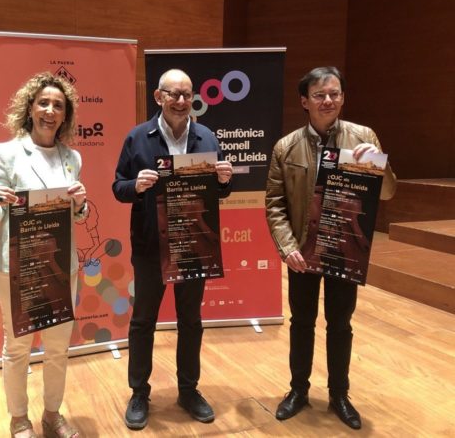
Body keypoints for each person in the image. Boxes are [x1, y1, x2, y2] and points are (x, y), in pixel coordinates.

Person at [265, 66, 397, 430]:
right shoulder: (285, 147)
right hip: (302, 252)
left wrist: (378, 164)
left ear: (342, 98)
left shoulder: (364, 137)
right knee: (301, 322)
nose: (328, 101)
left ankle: (340, 394)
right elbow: (274, 204)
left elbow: (387, 193)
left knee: (341, 323)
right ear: (304, 101)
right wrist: (287, 247)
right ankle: (298, 390)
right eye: (320, 95)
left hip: (344, 249)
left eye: (334, 94)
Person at [112, 69, 233, 430]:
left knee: (191, 320)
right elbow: (118, 187)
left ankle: (188, 390)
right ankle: (139, 392)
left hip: (194, 245)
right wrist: (135, 185)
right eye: (174, 94)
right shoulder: (137, 137)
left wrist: (225, 181)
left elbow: (219, 191)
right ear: (158, 97)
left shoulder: (207, 137)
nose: (181, 101)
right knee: (143, 321)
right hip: (150, 246)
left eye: (187, 95)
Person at [0, 72, 87, 438]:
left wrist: (81, 204)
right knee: (18, 346)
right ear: (30, 108)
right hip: (18, 266)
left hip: (59, 265)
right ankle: (19, 420)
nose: (50, 111)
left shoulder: (72, 158)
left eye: (58, 105)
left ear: (65, 115)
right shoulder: (6, 153)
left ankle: (52, 416)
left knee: (57, 347)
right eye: (44, 103)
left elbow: (76, 215)